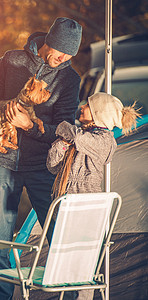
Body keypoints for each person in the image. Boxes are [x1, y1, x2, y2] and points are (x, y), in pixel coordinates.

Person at [0, 17, 82, 299]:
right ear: (50, 42)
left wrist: (29, 126)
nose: (64, 58)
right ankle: (0, 296)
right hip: (2, 162)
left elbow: (65, 131)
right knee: (0, 240)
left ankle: (67, 295)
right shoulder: (11, 62)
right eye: (61, 52)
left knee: (58, 234)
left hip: (43, 167)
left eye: (70, 55)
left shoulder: (69, 79)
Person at [46, 92, 140, 300]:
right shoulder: (80, 136)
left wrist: (62, 128)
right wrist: (62, 144)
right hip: (65, 204)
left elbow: (79, 139)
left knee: (83, 262)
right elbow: (52, 165)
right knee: (67, 263)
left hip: (85, 206)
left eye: (87, 105)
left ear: (99, 113)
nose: (81, 107)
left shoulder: (104, 141)